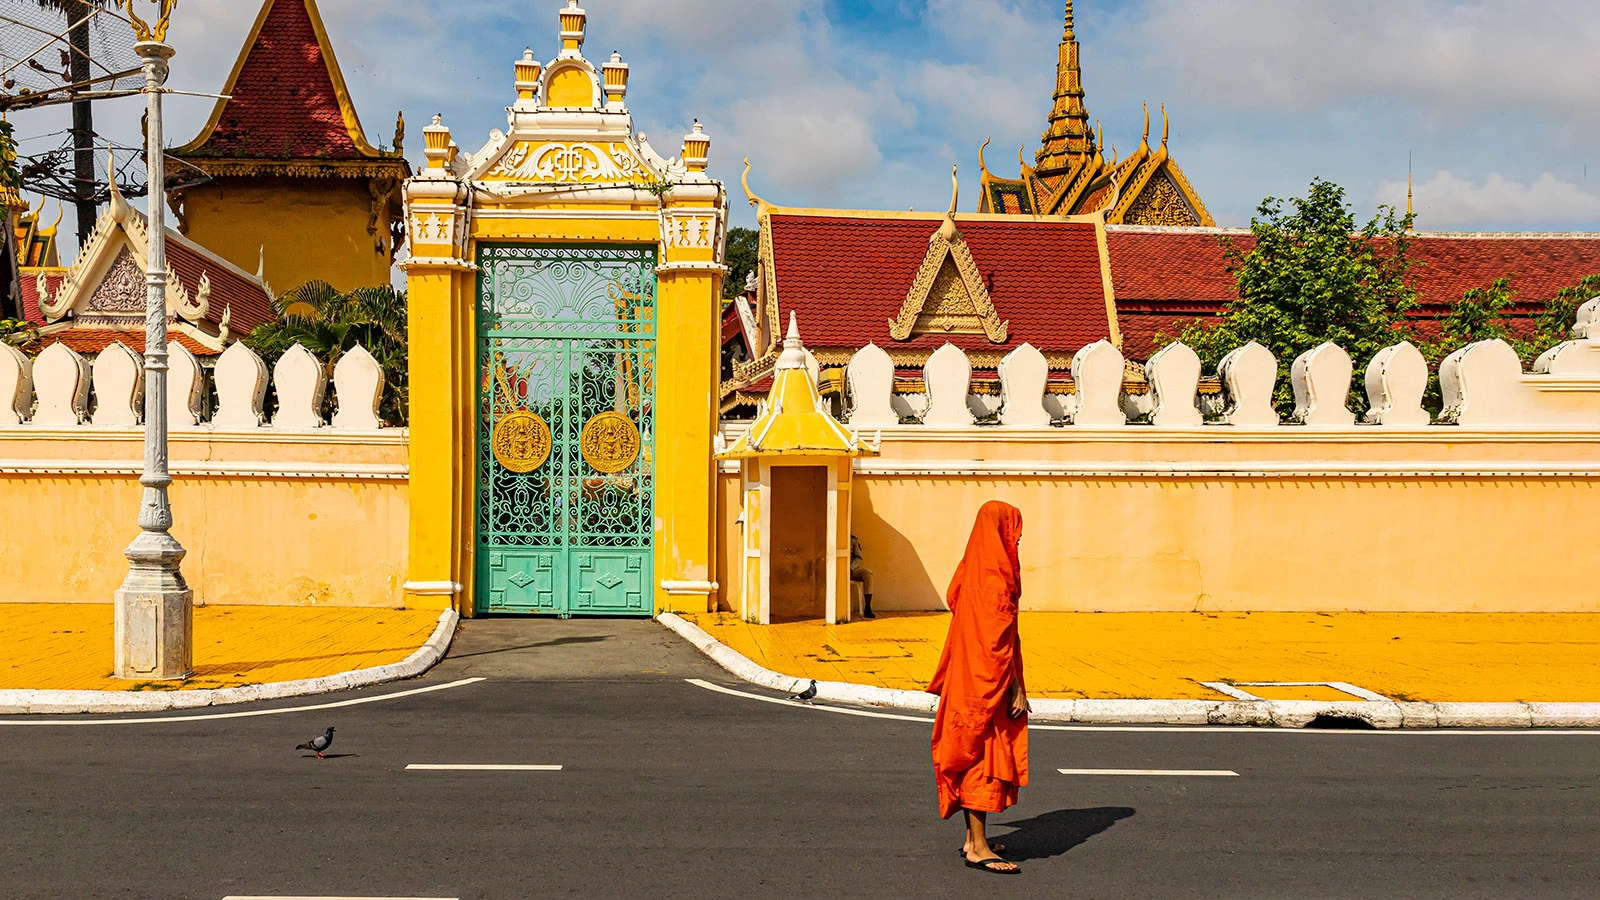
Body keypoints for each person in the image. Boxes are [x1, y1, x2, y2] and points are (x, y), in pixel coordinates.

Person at [928, 501, 1029, 875]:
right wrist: (1015, 688)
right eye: (1014, 535)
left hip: (966, 679)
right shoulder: (995, 580)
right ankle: (979, 848)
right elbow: (995, 644)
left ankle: (973, 839)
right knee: (983, 758)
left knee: (970, 749)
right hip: (987, 683)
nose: (1016, 542)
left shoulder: (970, 568)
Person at [850, 534, 874, 618]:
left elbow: (858, 557)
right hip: (835, 571)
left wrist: (851, 568)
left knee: (867, 573)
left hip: (851, 570)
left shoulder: (853, 540)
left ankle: (867, 606)